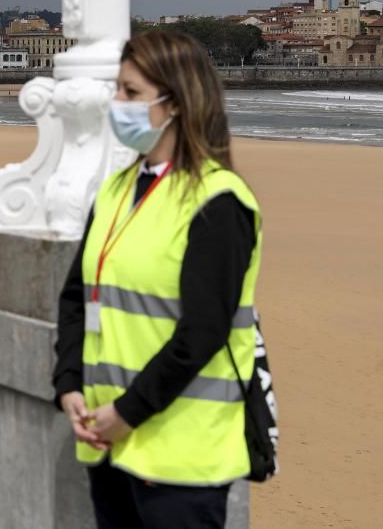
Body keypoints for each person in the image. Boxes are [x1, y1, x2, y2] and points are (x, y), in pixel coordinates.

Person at [53, 31, 264, 528]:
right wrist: (68, 384)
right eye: (118, 90)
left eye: (130, 92)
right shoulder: (116, 189)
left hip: (181, 455)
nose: (116, 103)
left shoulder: (219, 201)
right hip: (110, 445)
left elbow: (203, 333)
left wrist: (128, 410)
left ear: (176, 103)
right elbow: (76, 297)